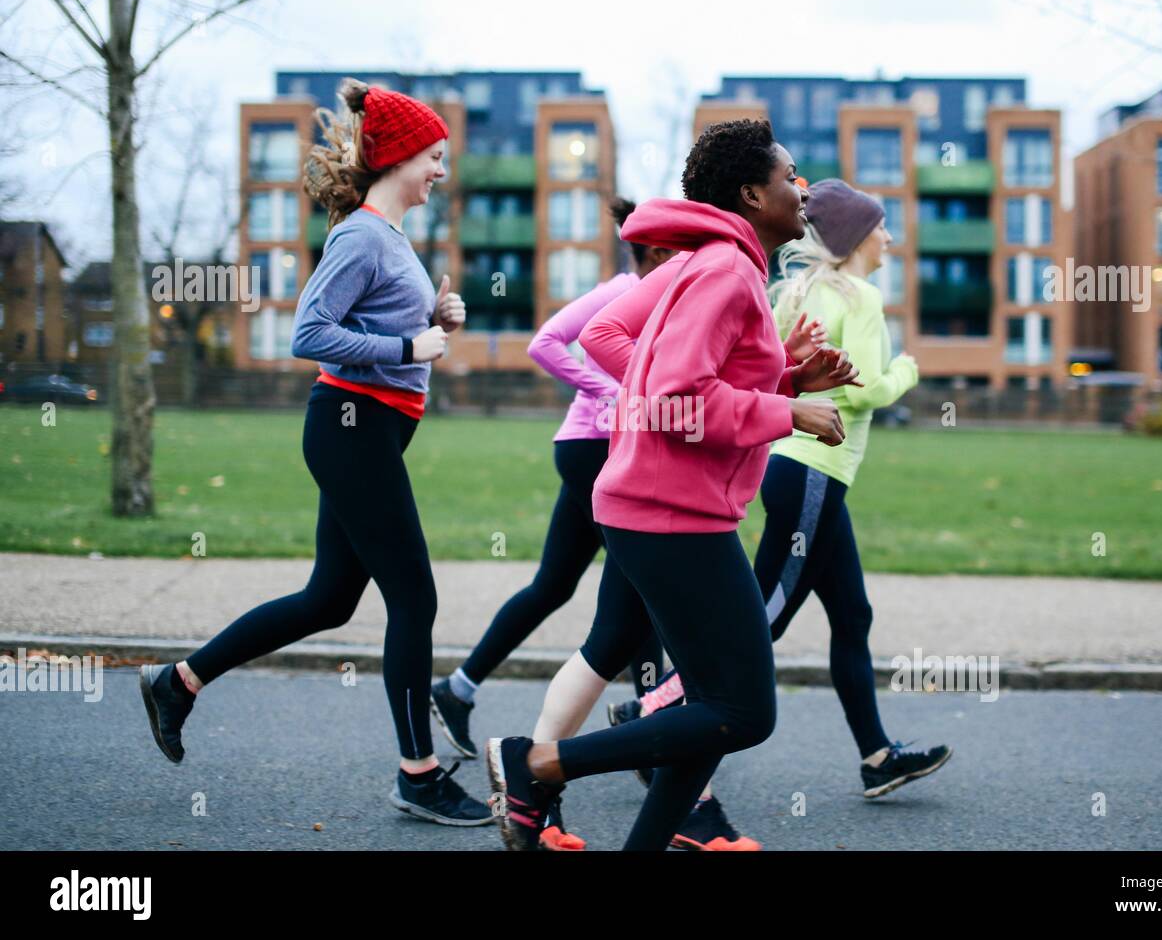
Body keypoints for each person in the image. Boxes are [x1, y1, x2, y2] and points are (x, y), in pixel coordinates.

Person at [485, 118, 860, 851]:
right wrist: (789, 409)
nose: (803, 188)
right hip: (671, 514)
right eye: (790, 178)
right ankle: (535, 765)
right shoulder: (724, 271)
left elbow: (681, 384)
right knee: (744, 712)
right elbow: (674, 401)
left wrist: (786, 376)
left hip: (660, 505)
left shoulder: (713, 262)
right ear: (753, 194)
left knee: (711, 704)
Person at [138, 77, 492, 827]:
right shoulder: (361, 233)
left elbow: (380, 323)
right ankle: (417, 772)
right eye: (434, 156)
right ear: (398, 157)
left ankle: (179, 682)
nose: (440, 171)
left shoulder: (389, 239)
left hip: (368, 429)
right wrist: (408, 342)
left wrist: (436, 316)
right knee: (415, 598)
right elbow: (309, 333)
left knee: (329, 600)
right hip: (350, 427)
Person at [612, 179, 952, 848]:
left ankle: (878, 757)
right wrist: (908, 371)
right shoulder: (859, 296)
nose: (890, 239)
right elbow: (865, 390)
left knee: (851, 614)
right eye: (881, 228)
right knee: (762, 616)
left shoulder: (796, 291)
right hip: (813, 471)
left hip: (794, 470)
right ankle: (652, 708)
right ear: (858, 238)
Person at [427, 197, 673, 849]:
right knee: (633, 598)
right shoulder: (624, 290)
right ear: (648, 250)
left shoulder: (661, 294)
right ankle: (639, 734)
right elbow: (546, 342)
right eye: (672, 248)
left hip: (600, 448)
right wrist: (611, 393)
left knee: (565, 586)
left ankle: (458, 687)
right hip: (596, 447)